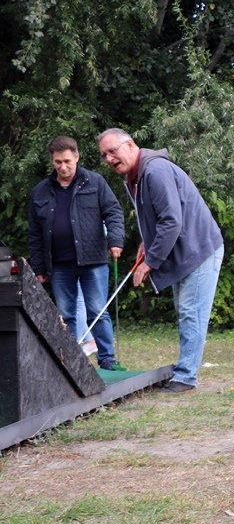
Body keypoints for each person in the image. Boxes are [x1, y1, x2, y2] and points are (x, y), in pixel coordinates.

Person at [97, 128, 224, 394]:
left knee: (191, 312)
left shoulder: (154, 171)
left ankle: (186, 377)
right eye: (104, 155)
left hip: (199, 248)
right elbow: (155, 220)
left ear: (130, 145)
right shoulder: (134, 177)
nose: (109, 159)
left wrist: (149, 262)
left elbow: (171, 220)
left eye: (113, 151)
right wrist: (147, 243)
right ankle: (184, 371)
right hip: (184, 251)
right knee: (185, 311)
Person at [28, 136, 124, 370]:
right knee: (66, 315)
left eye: (67, 161)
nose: (63, 166)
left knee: (97, 312)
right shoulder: (40, 191)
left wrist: (115, 240)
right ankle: (72, 365)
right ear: (52, 161)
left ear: (77, 157)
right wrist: (39, 267)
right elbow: (35, 235)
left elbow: (113, 212)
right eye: (58, 162)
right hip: (58, 265)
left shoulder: (95, 182)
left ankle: (107, 360)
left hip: (93, 260)